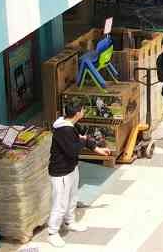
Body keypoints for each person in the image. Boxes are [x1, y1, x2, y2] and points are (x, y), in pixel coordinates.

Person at [46, 98, 112, 247]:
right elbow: (73, 150)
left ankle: (70, 221)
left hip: (71, 168)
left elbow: (83, 139)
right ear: (77, 113)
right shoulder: (64, 130)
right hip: (60, 173)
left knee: (72, 196)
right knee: (60, 203)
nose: (83, 112)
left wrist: (98, 149)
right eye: (82, 110)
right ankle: (52, 232)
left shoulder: (71, 125)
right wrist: (82, 141)